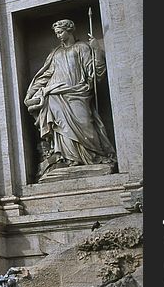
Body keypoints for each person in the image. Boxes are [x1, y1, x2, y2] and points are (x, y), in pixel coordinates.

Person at [24, 19, 115, 177]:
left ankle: (94, 156)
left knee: (86, 124)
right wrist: (31, 92)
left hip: (77, 92)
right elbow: (45, 75)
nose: (59, 36)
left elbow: (94, 74)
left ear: (69, 31)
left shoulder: (82, 47)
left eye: (61, 32)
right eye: (57, 33)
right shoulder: (55, 53)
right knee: (61, 126)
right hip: (55, 94)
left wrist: (97, 52)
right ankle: (67, 157)